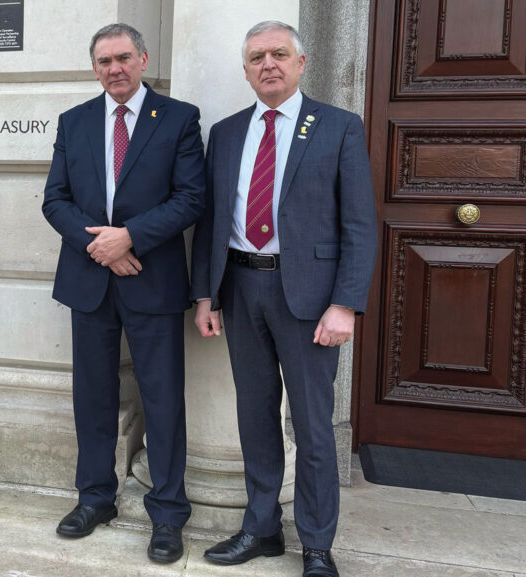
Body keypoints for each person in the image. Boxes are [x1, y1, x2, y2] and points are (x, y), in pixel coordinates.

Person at [191, 21, 377, 577]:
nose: (267, 64)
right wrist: (205, 294)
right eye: (255, 58)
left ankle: (317, 544)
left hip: (311, 300)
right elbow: (210, 221)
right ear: (245, 70)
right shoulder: (225, 134)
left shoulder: (339, 126)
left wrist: (345, 303)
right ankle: (262, 527)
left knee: (314, 426)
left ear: (301, 62)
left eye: (278, 54)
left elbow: (359, 225)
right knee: (255, 417)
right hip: (240, 287)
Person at [41, 22, 205, 565]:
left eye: (124, 58)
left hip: (151, 281)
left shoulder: (178, 119)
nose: (115, 68)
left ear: (143, 58)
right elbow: (55, 200)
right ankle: (95, 498)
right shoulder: (75, 121)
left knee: (161, 400)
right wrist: (101, 247)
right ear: (95, 68)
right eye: (105, 61)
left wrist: (130, 237)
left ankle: (167, 513)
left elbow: (190, 198)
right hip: (90, 282)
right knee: (92, 397)